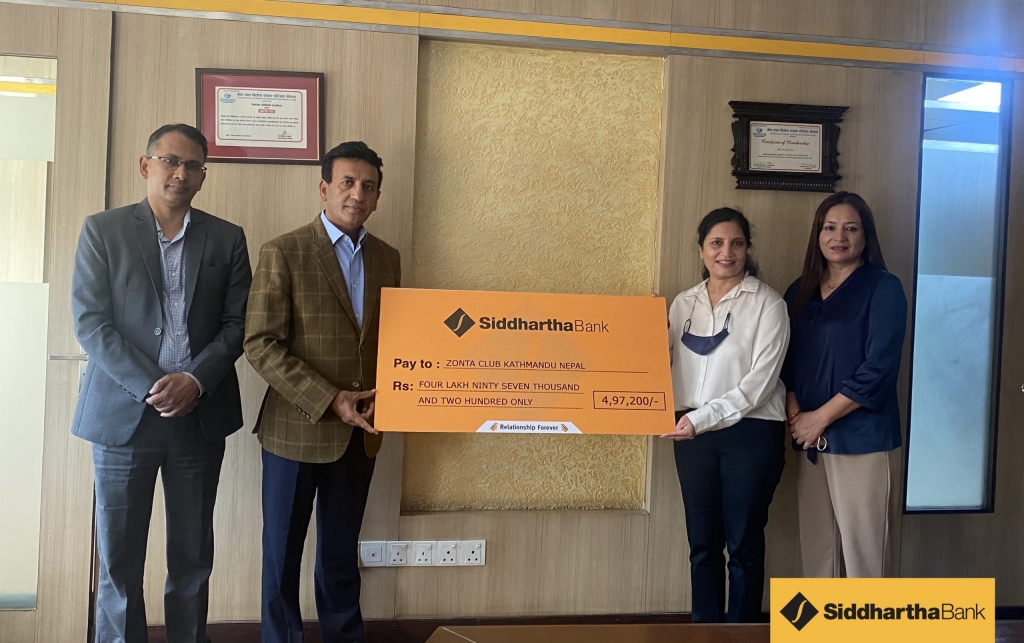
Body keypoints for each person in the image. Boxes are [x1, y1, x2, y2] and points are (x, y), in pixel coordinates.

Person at [71, 123, 252, 643]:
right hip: (122, 419)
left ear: (203, 175)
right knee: (118, 559)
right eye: (170, 161)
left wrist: (194, 380)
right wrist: (155, 385)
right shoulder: (103, 230)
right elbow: (91, 323)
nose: (180, 173)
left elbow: (238, 324)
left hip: (198, 417)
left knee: (193, 556)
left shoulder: (227, 237)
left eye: (193, 165)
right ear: (145, 164)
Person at [244, 141, 401, 643]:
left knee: (339, 556)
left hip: (360, 434)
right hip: (295, 431)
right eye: (347, 183)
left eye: (368, 186)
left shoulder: (388, 259)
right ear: (324, 188)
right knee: (281, 558)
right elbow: (260, 343)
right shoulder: (284, 251)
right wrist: (331, 398)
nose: (358, 194)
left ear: (377, 197)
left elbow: (394, 342)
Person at [661, 207, 789, 622]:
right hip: (692, 435)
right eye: (716, 243)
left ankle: (741, 632)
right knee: (702, 544)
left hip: (750, 434)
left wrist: (700, 418)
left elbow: (760, 385)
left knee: (744, 546)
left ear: (747, 248)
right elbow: (661, 365)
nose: (726, 252)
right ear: (701, 249)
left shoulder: (768, 304)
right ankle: (705, 630)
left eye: (736, 243)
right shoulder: (683, 303)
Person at [782, 191, 907, 579]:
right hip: (810, 441)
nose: (839, 237)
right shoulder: (799, 291)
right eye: (830, 228)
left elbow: (879, 368)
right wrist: (797, 416)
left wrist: (819, 418)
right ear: (818, 234)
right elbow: (785, 361)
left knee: (866, 562)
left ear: (866, 236)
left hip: (863, 440)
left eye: (851, 228)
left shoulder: (883, 287)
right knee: (819, 555)